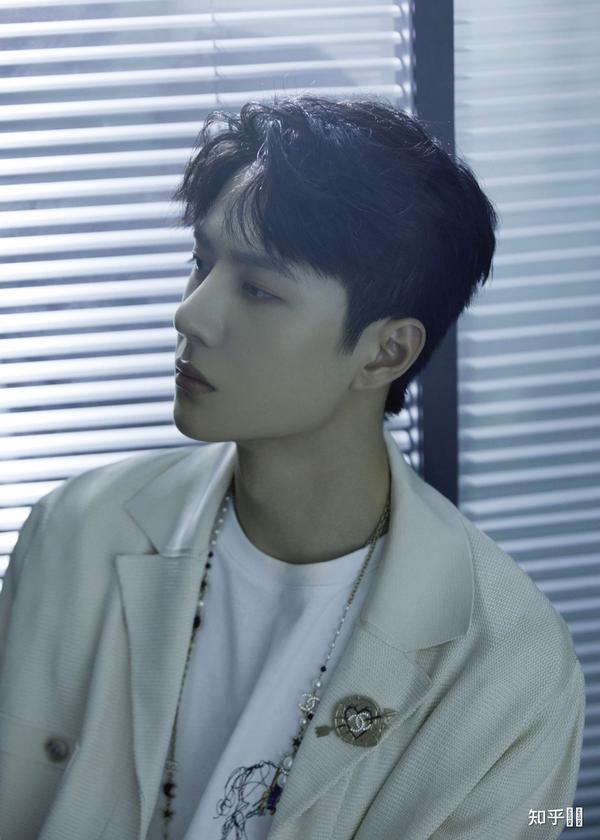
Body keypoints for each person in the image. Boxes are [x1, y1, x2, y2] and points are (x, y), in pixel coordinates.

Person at [0, 96, 584, 840]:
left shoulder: (507, 664)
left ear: (386, 352)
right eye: (201, 263)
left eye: (258, 290)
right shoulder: (76, 530)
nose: (191, 314)